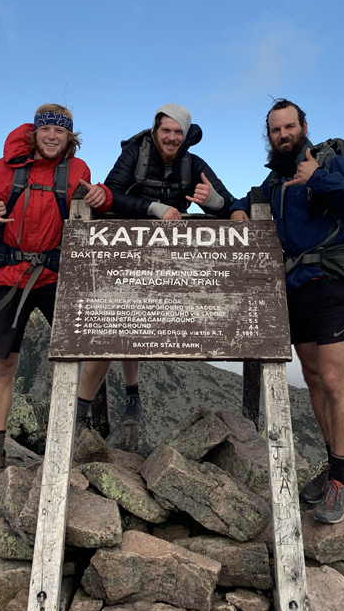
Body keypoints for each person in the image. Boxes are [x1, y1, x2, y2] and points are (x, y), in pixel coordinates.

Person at [230, 99, 344, 523]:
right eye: (275, 129)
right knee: (313, 377)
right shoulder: (275, 180)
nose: (283, 134)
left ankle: (338, 479)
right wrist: (237, 207)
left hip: (332, 282)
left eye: (289, 127)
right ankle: (338, 465)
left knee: (333, 379)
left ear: (303, 126)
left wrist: (320, 179)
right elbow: (248, 198)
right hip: (294, 287)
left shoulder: (327, 162)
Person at [0, 103, 112, 477]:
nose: (51, 136)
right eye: (46, 130)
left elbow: (96, 206)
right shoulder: (5, 169)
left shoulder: (77, 170)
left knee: (92, 347)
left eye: (60, 131)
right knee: (4, 363)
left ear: (69, 137)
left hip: (56, 276)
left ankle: (75, 422)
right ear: (35, 132)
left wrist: (103, 196)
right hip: (10, 277)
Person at [76, 103, 235, 435]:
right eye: (166, 130)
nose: (172, 137)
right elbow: (109, 195)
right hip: (122, 252)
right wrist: (154, 207)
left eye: (178, 132)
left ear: (186, 135)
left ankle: (126, 399)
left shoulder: (193, 164)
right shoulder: (135, 154)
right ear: (155, 130)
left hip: (164, 260)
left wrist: (214, 203)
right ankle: (82, 413)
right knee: (111, 327)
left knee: (134, 324)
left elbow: (230, 206)